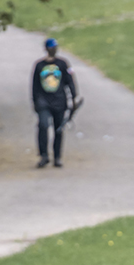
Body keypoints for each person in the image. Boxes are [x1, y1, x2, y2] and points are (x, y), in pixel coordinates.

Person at [30, 38, 77, 168]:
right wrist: (35, 101)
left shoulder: (63, 64)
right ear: (46, 49)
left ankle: (57, 157)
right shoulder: (39, 65)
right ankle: (44, 155)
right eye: (51, 47)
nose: (54, 50)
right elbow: (34, 85)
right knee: (43, 125)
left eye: (55, 47)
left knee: (58, 129)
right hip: (43, 101)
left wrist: (74, 97)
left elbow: (70, 81)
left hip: (59, 101)